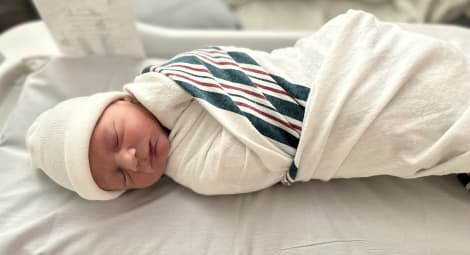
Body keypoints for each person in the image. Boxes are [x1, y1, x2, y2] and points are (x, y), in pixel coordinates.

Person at [26, 10, 470, 200]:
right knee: (413, 125)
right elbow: (257, 164)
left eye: (117, 138)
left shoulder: (178, 73)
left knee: (411, 71)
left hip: (335, 67)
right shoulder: (197, 169)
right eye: (122, 175)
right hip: (326, 128)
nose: (132, 157)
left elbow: (256, 65)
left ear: (123, 100)